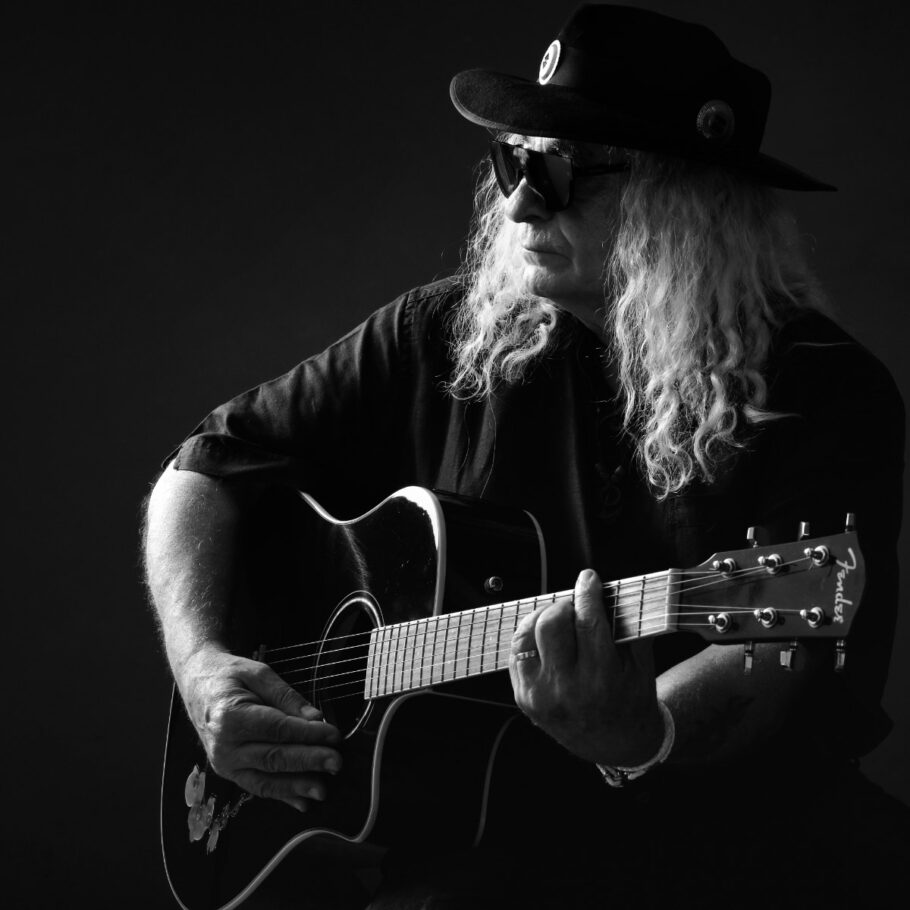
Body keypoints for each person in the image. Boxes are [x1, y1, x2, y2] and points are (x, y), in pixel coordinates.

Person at [144, 5, 907, 908]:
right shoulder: (442, 333)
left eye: (559, 172)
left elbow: (776, 652)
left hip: (750, 855)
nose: (517, 202)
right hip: (474, 855)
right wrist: (201, 668)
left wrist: (643, 735)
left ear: (686, 201)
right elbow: (206, 466)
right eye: (515, 161)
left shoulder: (822, 391)